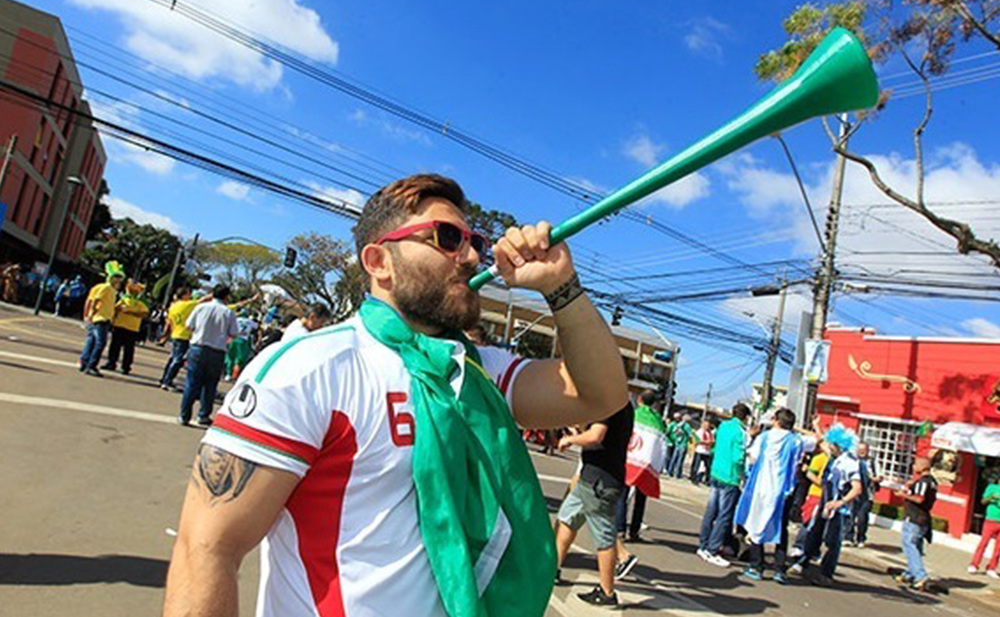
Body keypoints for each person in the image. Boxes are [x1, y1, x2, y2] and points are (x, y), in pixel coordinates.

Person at [162, 174, 628, 617]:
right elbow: (207, 548)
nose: (470, 258)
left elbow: (599, 395)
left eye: (475, 244)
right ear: (378, 261)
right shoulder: (313, 368)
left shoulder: (476, 370)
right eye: (447, 238)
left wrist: (561, 288)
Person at [555, 403, 635, 607]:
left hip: (600, 481)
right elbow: (603, 437)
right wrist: (579, 430)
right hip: (591, 478)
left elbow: (596, 436)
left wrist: (570, 439)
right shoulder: (623, 405)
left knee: (604, 537)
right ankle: (551, 570)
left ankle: (607, 592)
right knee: (566, 520)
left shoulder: (609, 403)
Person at [736, 409, 804, 583]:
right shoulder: (796, 441)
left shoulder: (764, 438)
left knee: (756, 523)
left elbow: (752, 457)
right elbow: (798, 461)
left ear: (775, 420)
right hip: (783, 490)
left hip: (761, 486)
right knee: (781, 528)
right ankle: (780, 570)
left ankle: (756, 565)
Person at [790, 424, 863, 587]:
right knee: (813, 532)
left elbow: (857, 488)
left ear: (838, 446)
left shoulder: (849, 463)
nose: (828, 446)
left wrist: (840, 502)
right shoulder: (833, 458)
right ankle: (803, 562)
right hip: (825, 503)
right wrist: (815, 426)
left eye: (832, 444)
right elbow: (821, 440)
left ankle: (826, 574)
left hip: (838, 509)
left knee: (832, 542)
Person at [177, 284, 239, 427]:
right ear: (226, 296)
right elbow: (234, 333)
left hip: (198, 347)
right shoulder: (228, 313)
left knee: (191, 383)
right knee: (210, 385)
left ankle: (184, 415)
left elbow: (188, 325)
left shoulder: (200, 307)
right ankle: (203, 415)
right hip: (217, 351)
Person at [698, 403, 750, 567]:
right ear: (745, 417)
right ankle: (712, 550)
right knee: (724, 515)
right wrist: (743, 473)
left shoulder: (723, 427)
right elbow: (738, 457)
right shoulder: (741, 432)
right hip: (730, 476)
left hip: (716, 471)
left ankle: (703, 544)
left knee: (711, 511)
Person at [620, 390, 666, 543]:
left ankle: (620, 529)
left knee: (623, 494)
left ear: (639, 399)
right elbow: (662, 446)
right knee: (641, 499)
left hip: (631, 459)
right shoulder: (658, 421)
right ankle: (634, 530)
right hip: (647, 464)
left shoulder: (634, 414)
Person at [892, 457, 938, 590]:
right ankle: (910, 573)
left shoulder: (923, 482)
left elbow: (919, 499)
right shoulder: (932, 482)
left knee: (909, 545)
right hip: (923, 518)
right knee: (916, 547)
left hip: (914, 517)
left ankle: (920, 576)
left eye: (915, 464)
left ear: (923, 466)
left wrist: (903, 495)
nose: (913, 467)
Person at [79, 261, 125, 377]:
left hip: (104, 318)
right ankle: (92, 365)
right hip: (100, 318)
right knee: (100, 343)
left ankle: (84, 362)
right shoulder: (106, 288)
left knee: (92, 341)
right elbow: (95, 301)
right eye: (117, 277)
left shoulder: (112, 291)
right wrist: (91, 314)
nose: (119, 280)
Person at [103, 280, 149, 375]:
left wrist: (130, 311)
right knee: (114, 346)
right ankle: (111, 363)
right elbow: (116, 308)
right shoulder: (123, 298)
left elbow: (145, 314)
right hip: (119, 325)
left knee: (128, 349)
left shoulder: (141, 302)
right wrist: (113, 317)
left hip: (132, 328)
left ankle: (126, 366)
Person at [159, 287, 201, 391]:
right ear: (184, 295)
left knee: (173, 358)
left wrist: (165, 335)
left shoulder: (173, 306)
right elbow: (202, 300)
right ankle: (167, 381)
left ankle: (165, 378)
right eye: (188, 294)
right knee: (178, 359)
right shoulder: (186, 304)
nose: (190, 296)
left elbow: (169, 322)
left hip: (175, 333)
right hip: (183, 335)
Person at [845, 442, 881, 548]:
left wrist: (870, 479)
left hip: (867, 494)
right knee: (850, 516)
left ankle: (861, 538)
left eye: (864, 449)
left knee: (862, 517)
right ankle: (848, 537)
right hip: (853, 493)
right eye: (859, 449)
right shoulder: (852, 461)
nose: (861, 451)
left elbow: (879, 477)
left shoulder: (873, 462)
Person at [968, 476, 1000, 578]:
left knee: (998, 548)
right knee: (983, 542)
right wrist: (991, 497)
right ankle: (974, 564)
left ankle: (991, 567)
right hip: (990, 519)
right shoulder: (992, 487)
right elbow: (983, 501)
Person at [667, 414, 694, 478]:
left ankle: (670, 471)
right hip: (683, 444)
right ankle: (678, 474)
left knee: (674, 458)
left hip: (677, 443)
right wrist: (690, 441)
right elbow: (690, 436)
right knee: (680, 459)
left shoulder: (678, 425)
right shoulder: (687, 426)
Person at [690, 419, 715, 485]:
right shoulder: (699, 432)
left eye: (708, 425)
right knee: (696, 465)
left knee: (708, 467)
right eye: (706, 425)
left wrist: (709, 442)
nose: (707, 426)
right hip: (699, 450)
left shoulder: (710, 433)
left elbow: (712, 441)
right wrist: (705, 442)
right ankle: (693, 478)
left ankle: (707, 480)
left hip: (707, 451)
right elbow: (696, 441)